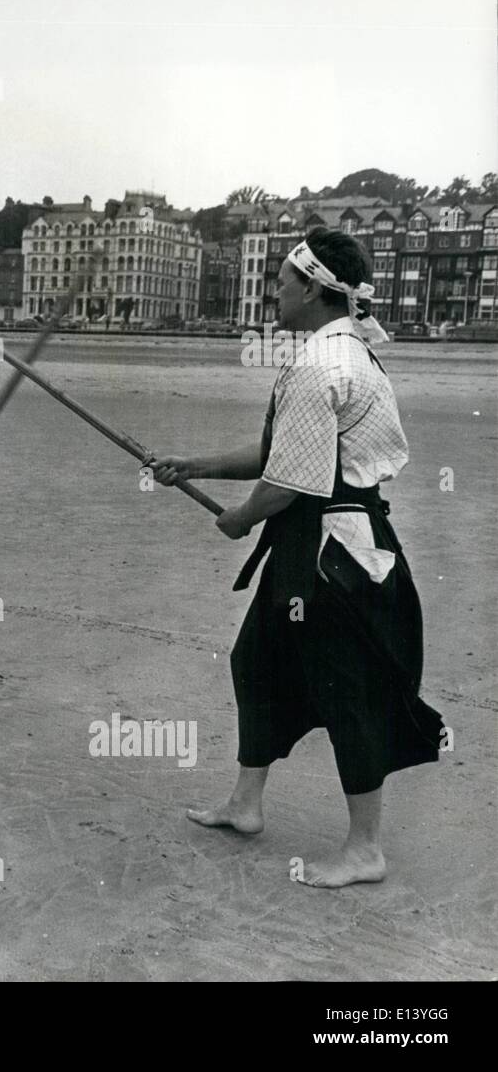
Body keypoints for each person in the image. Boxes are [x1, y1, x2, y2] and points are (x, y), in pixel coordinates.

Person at [150, 227, 443, 888]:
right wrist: (191, 464)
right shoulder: (336, 353)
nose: (273, 291)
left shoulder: (323, 364)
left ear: (313, 287)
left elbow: (287, 485)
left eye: (283, 281)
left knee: (349, 689)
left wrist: (238, 519)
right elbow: (283, 456)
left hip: (331, 550)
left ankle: (365, 848)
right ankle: (246, 804)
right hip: (311, 539)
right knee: (255, 659)